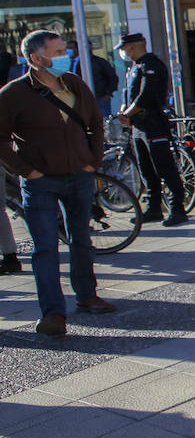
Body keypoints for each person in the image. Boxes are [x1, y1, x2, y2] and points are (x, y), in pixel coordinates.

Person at [0, 30, 113, 338]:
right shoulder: (13, 94)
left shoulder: (74, 83)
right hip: (41, 182)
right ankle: (53, 313)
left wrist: (94, 160)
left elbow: (94, 123)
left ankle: (87, 295)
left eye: (65, 49)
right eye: (59, 51)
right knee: (46, 248)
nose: (66, 55)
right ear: (37, 58)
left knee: (81, 239)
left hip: (79, 175)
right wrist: (26, 170)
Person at [116, 33, 188, 227]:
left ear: (132, 47)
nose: (123, 53)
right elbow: (129, 96)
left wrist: (128, 114)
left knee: (164, 168)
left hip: (154, 125)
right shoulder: (134, 68)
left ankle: (177, 209)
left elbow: (146, 97)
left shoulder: (152, 65)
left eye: (124, 48)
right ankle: (154, 208)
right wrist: (125, 114)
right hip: (139, 127)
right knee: (147, 170)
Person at [66, 40, 119, 117]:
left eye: (71, 47)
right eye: (67, 48)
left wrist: (108, 94)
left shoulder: (97, 62)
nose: (69, 50)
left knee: (102, 120)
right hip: (80, 98)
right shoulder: (70, 63)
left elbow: (112, 77)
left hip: (99, 97)